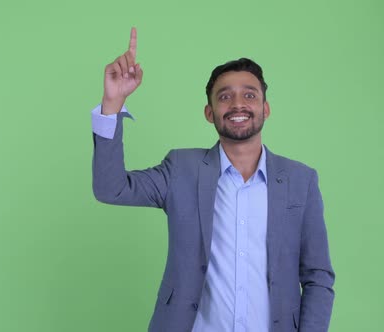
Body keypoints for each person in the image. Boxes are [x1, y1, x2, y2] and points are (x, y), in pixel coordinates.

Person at [91, 27, 335, 332]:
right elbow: (110, 189)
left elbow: (318, 277)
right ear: (210, 112)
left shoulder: (301, 180)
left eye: (249, 95)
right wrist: (112, 104)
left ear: (265, 109)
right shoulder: (181, 169)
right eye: (224, 97)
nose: (237, 105)